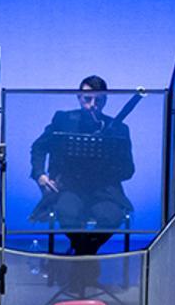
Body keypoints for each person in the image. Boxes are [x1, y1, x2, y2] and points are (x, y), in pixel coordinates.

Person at [29, 76, 135, 256]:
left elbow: (128, 171)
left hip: (104, 192)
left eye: (98, 100)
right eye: (87, 99)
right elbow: (39, 147)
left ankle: (81, 256)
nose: (92, 104)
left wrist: (111, 160)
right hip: (68, 188)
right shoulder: (62, 119)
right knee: (67, 214)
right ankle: (86, 258)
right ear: (79, 97)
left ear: (105, 100)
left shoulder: (119, 129)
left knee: (111, 217)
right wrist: (40, 174)